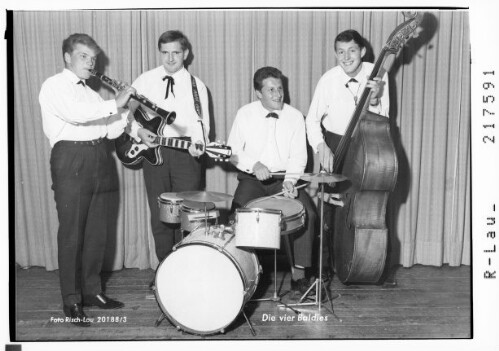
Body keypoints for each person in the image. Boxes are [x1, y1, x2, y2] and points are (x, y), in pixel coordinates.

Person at [39, 33, 136, 327]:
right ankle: (71, 299)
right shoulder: (54, 85)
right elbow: (76, 115)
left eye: (92, 58)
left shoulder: (91, 92)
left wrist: (129, 118)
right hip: (71, 158)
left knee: (97, 231)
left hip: (98, 158)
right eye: (84, 56)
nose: (90, 63)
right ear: (68, 57)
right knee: (72, 233)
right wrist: (114, 103)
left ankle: (93, 292)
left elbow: (108, 129)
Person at [305, 29, 390, 274]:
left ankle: (358, 261)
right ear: (335, 54)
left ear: (362, 51)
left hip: (366, 143)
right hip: (333, 142)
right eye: (340, 52)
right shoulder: (328, 79)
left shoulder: (378, 74)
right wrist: (321, 147)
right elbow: (312, 120)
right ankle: (324, 269)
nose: (346, 57)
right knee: (328, 205)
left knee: (360, 205)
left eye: (352, 50)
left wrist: (374, 99)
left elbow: (384, 118)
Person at [228, 66, 317, 295]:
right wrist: (254, 165)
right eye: (270, 90)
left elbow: (299, 156)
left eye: (279, 88)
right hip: (252, 179)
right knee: (237, 214)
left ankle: (299, 278)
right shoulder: (244, 113)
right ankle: (241, 273)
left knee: (308, 214)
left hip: (285, 179)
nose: (278, 94)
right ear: (258, 93)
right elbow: (233, 151)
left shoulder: (296, 116)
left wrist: (290, 180)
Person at [128, 30, 209, 272]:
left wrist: (200, 147)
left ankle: (187, 270)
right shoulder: (144, 80)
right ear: (160, 52)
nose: (170, 58)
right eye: (165, 53)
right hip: (153, 151)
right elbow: (125, 113)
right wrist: (137, 133)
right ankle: (165, 271)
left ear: (186, 53)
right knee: (160, 214)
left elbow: (201, 125)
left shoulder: (197, 86)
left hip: (185, 154)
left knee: (189, 214)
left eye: (176, 52)